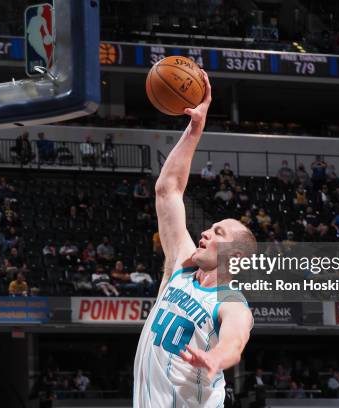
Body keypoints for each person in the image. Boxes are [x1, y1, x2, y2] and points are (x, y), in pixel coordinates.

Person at [133, 71, 255, 408]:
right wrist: (195, 128)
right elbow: (167, 190)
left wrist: (216, 359)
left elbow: (235, 340)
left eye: (218, 232)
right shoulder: (181, 266)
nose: (204, 232)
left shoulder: (231, 302)